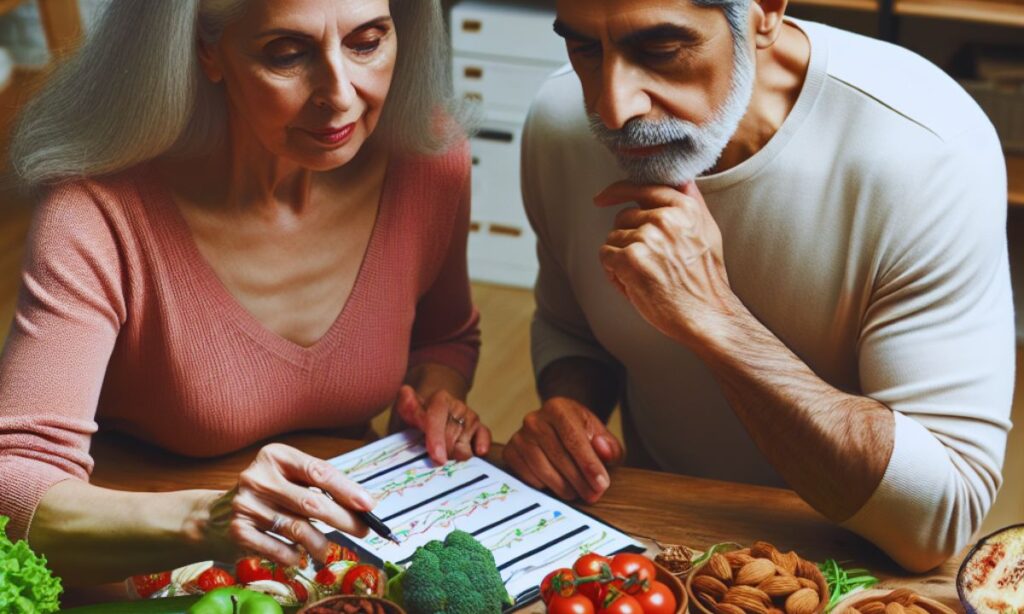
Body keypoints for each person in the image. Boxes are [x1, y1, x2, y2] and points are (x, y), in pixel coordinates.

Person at [505, 0, 1013, 572]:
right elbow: (570, 328)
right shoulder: (558, 120)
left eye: (662, 51)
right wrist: (570, 412)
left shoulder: (924, 150)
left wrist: (715, 318)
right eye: (584, 48)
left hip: (853, 569)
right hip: (657, 546)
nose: (613, 107)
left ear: (765, 11)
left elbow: (939, 520)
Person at [0, 0, 492, 585]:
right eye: (287, 54)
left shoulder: (429, 161)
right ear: (206, 50)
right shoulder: (95, 211)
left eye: (366, 42)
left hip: (331, 571)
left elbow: (446, 336)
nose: (340, 94)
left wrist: (437, 396)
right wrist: (205, 519)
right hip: (147, 579)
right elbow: (13, 489)